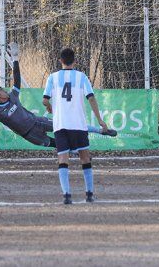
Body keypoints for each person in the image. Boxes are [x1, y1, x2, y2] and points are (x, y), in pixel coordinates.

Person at [0, 43, 116, 146]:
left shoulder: (13, 97)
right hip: (28, 133)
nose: (6, 91)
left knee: (66, 125)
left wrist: (15, 59)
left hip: (37, 121)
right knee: (56, 144)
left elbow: (17, 79)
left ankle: (101, 131)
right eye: (2, 91)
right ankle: (75, 149)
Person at [43, 48, 110, 204]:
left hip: (61, 125)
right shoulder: (82, 77)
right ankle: (89, 194)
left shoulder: (53, 77)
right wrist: (100, 120)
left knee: (63, 159)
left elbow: (45, 100)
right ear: (75, 61)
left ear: (60, 60)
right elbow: (91, 98)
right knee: (85, 158)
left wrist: (49, 107)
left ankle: (67, 195)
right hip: (78, 125)